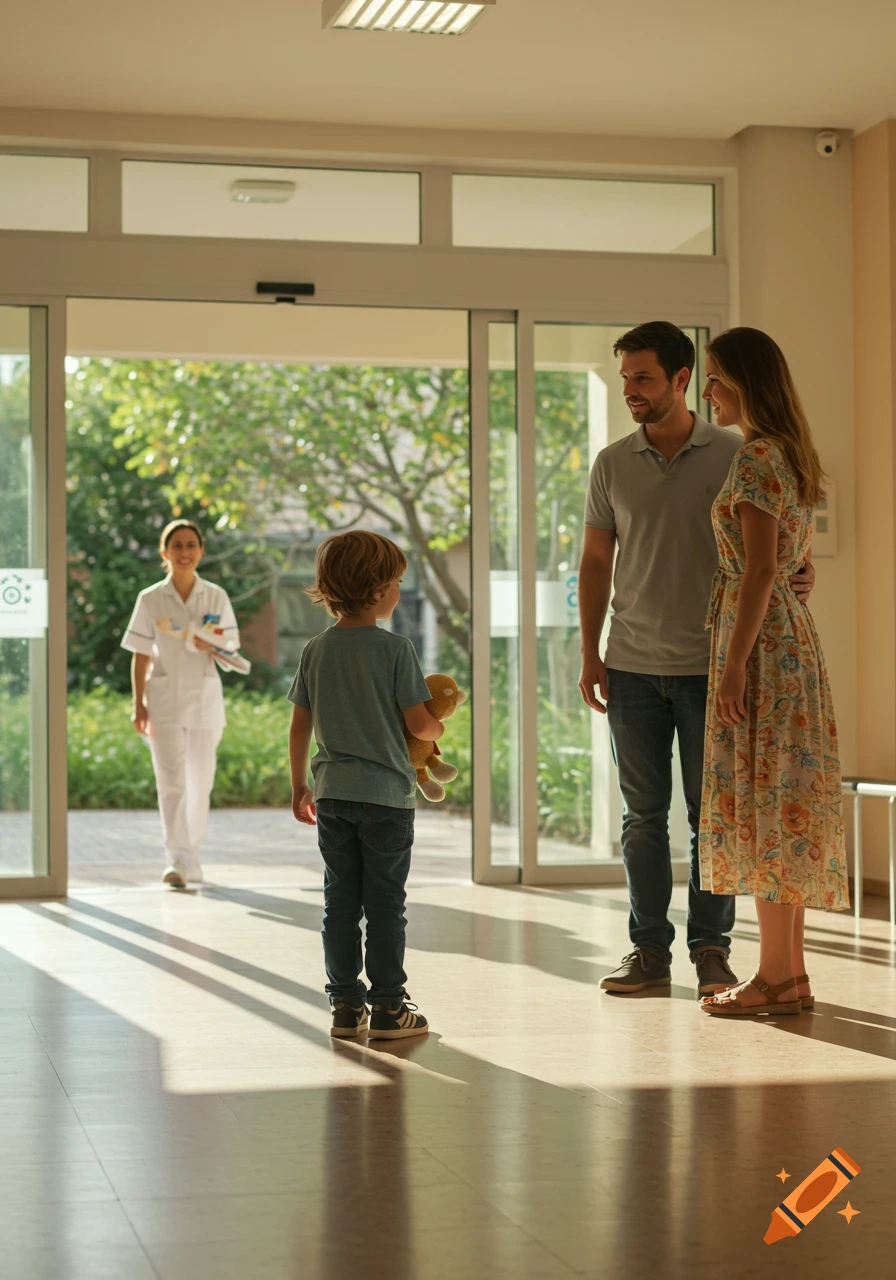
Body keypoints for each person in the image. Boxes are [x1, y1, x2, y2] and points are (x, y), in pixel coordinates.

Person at [578, 321, 815, 998]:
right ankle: (648, 951)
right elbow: (597, 561)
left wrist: (803, 577)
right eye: (625, 378)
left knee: (714, 817)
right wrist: (590, 650)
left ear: (682, 379)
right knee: (641, 816)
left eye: (643, 378)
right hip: (629, 662)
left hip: (714, 665)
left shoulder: (737, 453)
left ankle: (712, 949)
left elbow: (773, 555)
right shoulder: (611, 464)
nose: (631, 391)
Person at [698, 328, 848, 1017]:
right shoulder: (787, 452)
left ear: (746, 383)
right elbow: (784, 561)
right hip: (789, 640)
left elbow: (760, 566)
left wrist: (732, 667)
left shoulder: (757, 456)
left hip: (760, 645)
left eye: (717, 380)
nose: (708, 393)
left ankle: (771, 977)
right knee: (781, 803)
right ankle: (788, 976)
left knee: (762, 807)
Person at [288, 530, 442, 1040]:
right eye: (396, 582)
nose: (399, 590)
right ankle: (390, 1009)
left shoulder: (316, 650)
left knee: (339, 903)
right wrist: (438, 728)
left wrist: (298, 786)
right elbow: (419, 726)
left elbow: (299, 726)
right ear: (376, 592)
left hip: (332, 794)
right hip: (387, 802)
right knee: (384, 906)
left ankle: (346, 1008)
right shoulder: (395, 650)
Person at [122, 519, 248, 888]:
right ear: (165, 553)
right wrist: (138, 704)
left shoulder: (215, 597)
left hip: (205, 701)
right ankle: (176, 860)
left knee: (200, 782)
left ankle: (192, 854)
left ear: (201, 551)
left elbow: (232, 646)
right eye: (176, 545)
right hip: (162, 700)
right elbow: (141, 655)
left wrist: (212, 643)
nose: (184, 551)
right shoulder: (150, 598)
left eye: (191, 544)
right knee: (172, 782)